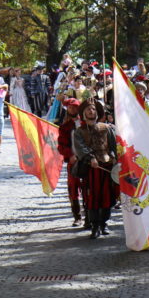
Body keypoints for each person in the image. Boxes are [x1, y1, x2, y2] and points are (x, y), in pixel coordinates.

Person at [73, 99, 117, 239]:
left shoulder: (107, 128)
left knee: (107, 196)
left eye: (93, 109)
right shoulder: (79, 132)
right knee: (92, 197)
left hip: (106, 166)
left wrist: (114, 157)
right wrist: (90, 158)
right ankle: (95, 225)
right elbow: (80, 148)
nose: (91, 111)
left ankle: (104, 223)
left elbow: (113, 145)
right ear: (84, 113)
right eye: (88, 109)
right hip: (91, 169)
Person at [57, 98, 88, 228]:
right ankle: (77, 217)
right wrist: (70, 155)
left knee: (88, 188)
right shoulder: (64, 127)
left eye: (75, 107)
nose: (73, 109)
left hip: (87, 160)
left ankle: (89, 216)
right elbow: (61, 146)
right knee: (73, 189)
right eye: (70, 107)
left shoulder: (86, 124)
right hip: (73, 162)